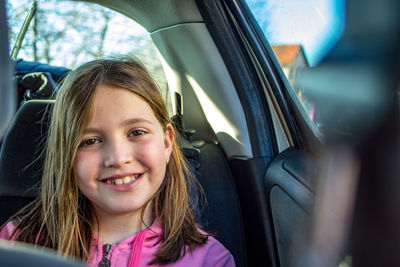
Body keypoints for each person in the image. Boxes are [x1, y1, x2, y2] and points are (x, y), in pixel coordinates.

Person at [0, 58, 235, 267]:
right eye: (90, 140)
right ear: (66, 157)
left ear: (166, 143)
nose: (118, 158)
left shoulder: (210, 260)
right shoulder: (17, 243)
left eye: (136, 132)